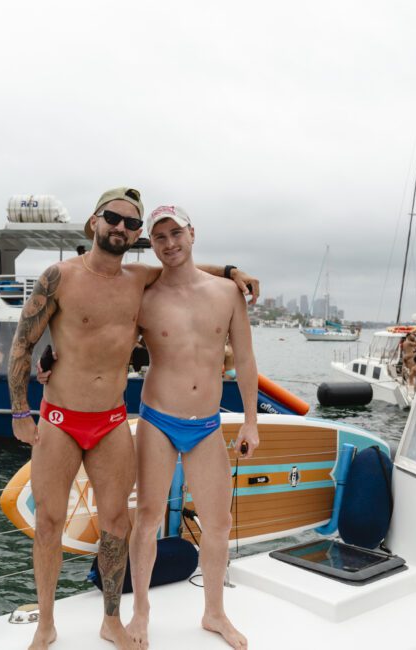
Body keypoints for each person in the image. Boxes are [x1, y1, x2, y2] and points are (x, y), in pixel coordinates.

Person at [8, 187, 259, 650]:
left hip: (126, 421)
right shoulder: (68, 277)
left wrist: (230, 271)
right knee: (54, 521)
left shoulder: (150, 281)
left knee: (131, 525)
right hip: (76, 416)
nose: (121, 228)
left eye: (131, 223)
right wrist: (22, 407)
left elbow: (185, 273)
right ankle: (53, 623)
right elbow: (25, 342)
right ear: (95, 222)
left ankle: (134, 618)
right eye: (113, 219)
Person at [127, 205, 259, 650]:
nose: (169, 243)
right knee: (146, 519)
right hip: (158, 418)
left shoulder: (227, 293)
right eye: (159, 237)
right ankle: (140, 610)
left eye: (176, 233)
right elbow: (105, 341)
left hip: (206, 422)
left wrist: (251, 423)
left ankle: (214, 612)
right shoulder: (144, 294)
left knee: (218, 522)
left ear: (192, 233)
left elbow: (244, 360)